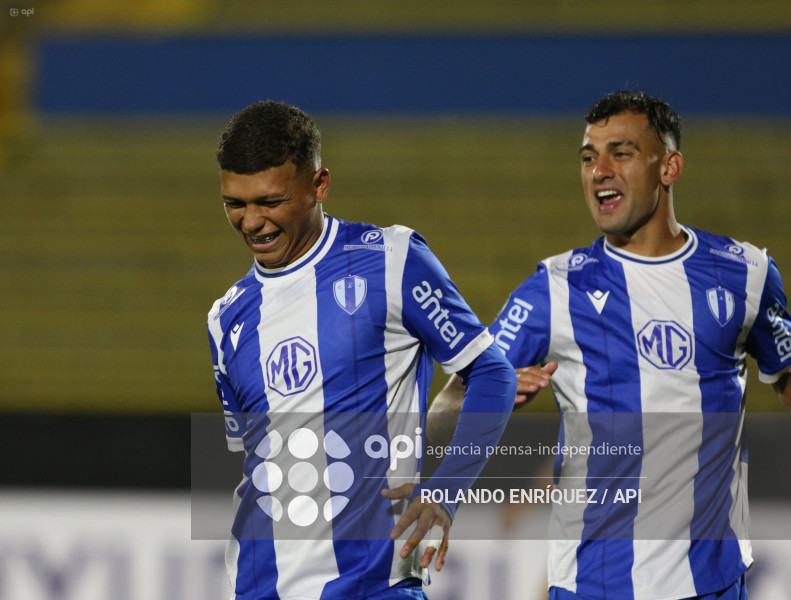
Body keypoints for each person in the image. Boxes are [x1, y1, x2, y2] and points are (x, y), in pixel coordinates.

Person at [430, 90, 791, 600]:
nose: (599, 170)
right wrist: (490, 394)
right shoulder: (552, 290)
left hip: (712, 583)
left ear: (669, 166)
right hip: (593, 587)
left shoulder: (746, 274)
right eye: (588, 157)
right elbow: (444, 409)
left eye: (620, 153)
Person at [206, 100, 516, 600]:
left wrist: (445, 491)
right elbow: (259, 465)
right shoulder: (226, 318)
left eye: (269, 201)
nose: (250, 221)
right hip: (261, 587)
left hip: (375, 587)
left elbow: (492, 375)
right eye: (234, 203)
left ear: (319, 185)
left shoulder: (391, 261)